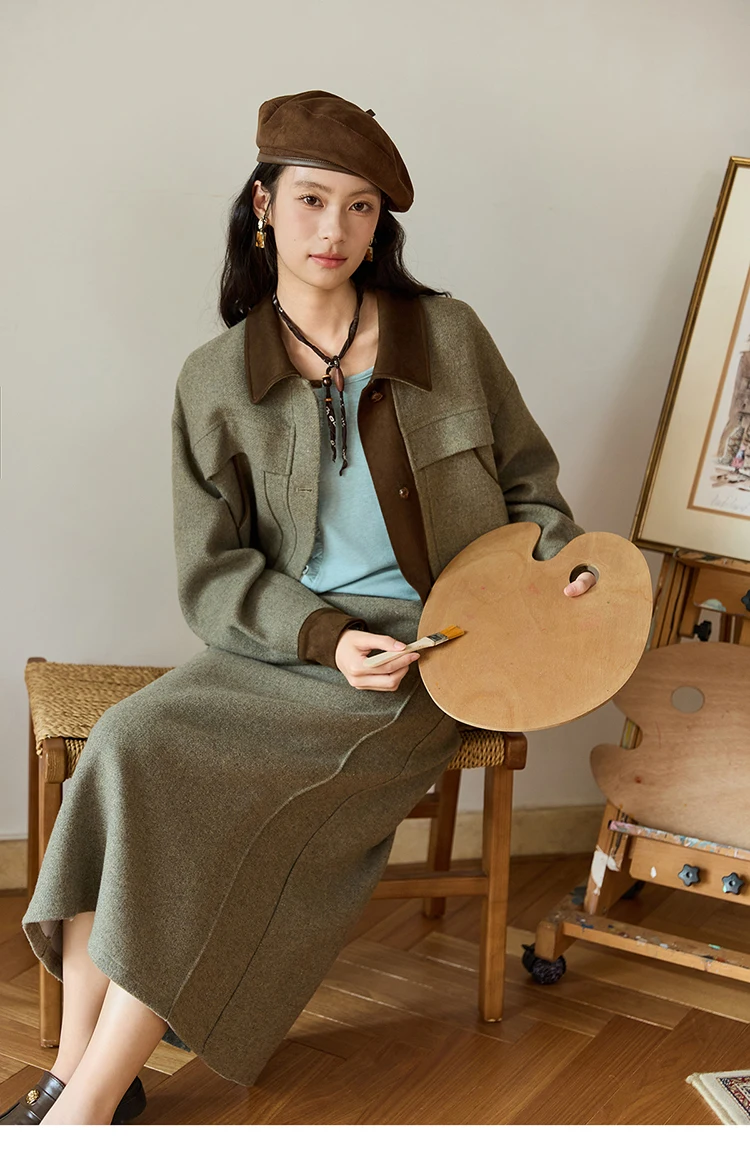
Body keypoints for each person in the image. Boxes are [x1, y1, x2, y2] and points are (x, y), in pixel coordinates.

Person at [8, 90, 594, 1126]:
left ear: (380, 225)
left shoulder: (447, 335)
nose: (336, 229)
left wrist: (557, 569)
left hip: (433, 653)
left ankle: (82, 1108)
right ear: (263, 205)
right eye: (314, 199)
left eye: (361, 207)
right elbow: (212, 572)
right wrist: (325, 637)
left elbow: (531, 491)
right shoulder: (214, 380)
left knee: (212, 819)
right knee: (130, 742)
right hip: (284, 643)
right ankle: (73, 1065)